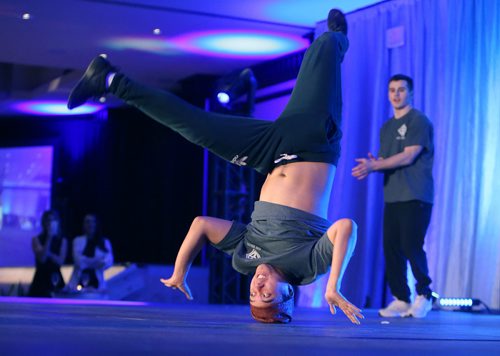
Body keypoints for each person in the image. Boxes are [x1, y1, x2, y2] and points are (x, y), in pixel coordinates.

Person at [68, 9, 363, 324]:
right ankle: (338, 37)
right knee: (323, 49)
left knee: (195, 128)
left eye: (253, 293)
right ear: (288, 293)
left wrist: (180, 271)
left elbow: (201, 225)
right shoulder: (306, 268)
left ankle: (109, 79)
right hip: (311, 143)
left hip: (267, 155)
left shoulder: (244, 258)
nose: (259, 285)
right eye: (267, 294)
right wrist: (333, 286)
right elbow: (346, 227)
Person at [352, 74, 434, 318]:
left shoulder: (418, 120)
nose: (396, 94)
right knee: (391, 247)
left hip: (416, 193)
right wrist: (374, 163)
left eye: (401, 90)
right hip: (393, 195)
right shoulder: (386, 127)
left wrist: (374, 166)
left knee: (411, 244)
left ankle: (425, 294)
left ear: (411, 93)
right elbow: (387, 160)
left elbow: (409, 155)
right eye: (392, 90)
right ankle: (401, 298)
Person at [67, 214, 113, 291]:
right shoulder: (77, 240)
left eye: (93, 222)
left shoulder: (104, 242)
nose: (90, 224)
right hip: (77, 284)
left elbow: (108, 262)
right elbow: (78, 261)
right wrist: (97, 261)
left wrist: (87, 261)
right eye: (87, 222)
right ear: (84, 224)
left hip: (98, 285)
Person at [29, 210, 68, 297]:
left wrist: (48, 254)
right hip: (40, 279)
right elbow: (42, 259)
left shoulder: (62, 240)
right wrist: (49, 238)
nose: (50, 223)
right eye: (48, 220)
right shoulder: (36, 239)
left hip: (56, 277)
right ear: (44, 222)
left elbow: (60, 261)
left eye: (53, 220)